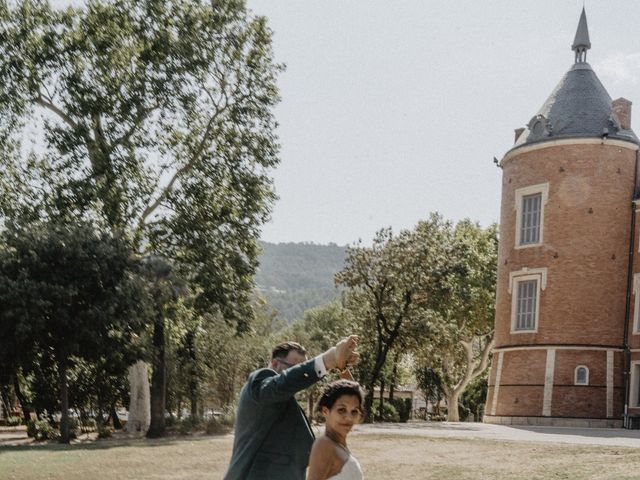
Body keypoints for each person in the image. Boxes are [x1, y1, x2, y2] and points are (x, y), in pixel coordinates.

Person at [223, 335, 359, 480]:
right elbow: (282, 383)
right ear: (275, 364)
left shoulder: (283, 399)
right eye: (295, 367)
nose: (300, 372)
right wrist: (326, 361)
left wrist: (342, 369)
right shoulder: (260, 382)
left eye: (303, 366)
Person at [307, 380, 365, 480]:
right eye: (342, 410)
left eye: (354, 411)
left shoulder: (339, 446)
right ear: (326, 411)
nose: (349, 418)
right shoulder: (324, 445)